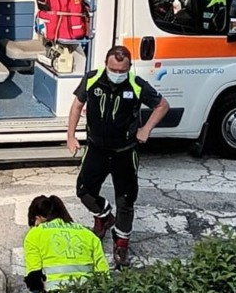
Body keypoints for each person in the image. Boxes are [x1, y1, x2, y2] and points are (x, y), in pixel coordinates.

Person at [66, 44, 170, 268]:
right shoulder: (92, 79)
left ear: (129, 67)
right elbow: (76, 106)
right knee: (83, 190)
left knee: (125, 201)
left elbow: (162, 105)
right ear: (106, 64)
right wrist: (71, 136)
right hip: (96, 149)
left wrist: (146, 129)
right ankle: (103, 216)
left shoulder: (136, 84)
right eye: (114, 69)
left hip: (125, 152)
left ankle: (121, 243)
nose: (117, 74)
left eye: (122, 71)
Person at [22, 194, 108, 293]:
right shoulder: (87, 233)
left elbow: (34, 275)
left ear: (37, 218)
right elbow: (103, 271)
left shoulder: (35, 234)